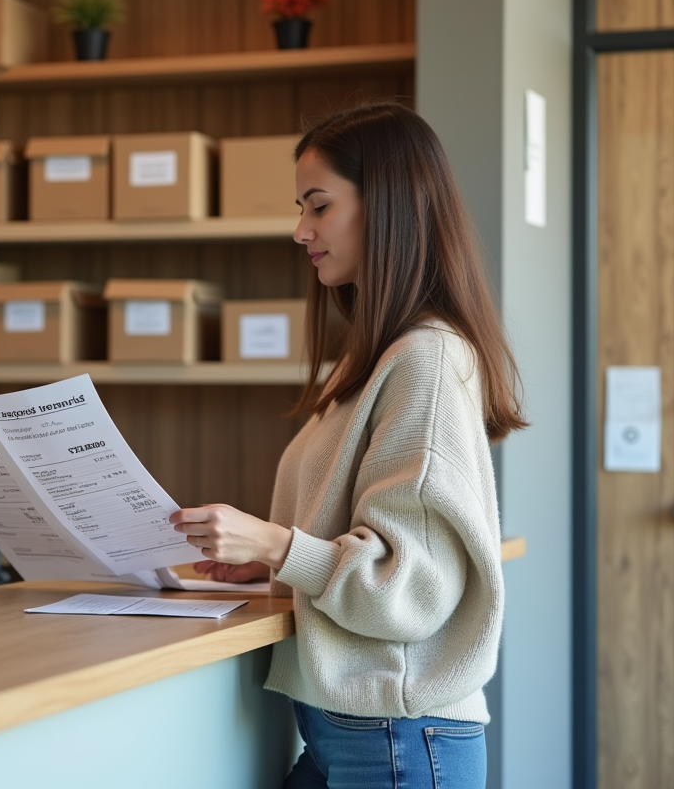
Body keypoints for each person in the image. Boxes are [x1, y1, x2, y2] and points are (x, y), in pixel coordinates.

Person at [170, 100, 526, 789]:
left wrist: (277, 545)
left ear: (387, 205)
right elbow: (361, 535)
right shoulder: (378, 356)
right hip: (364, 736)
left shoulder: (424, 360)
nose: (300, 230)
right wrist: (275, 564)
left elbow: (409, 589)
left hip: (396, 738)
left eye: (318, 206)